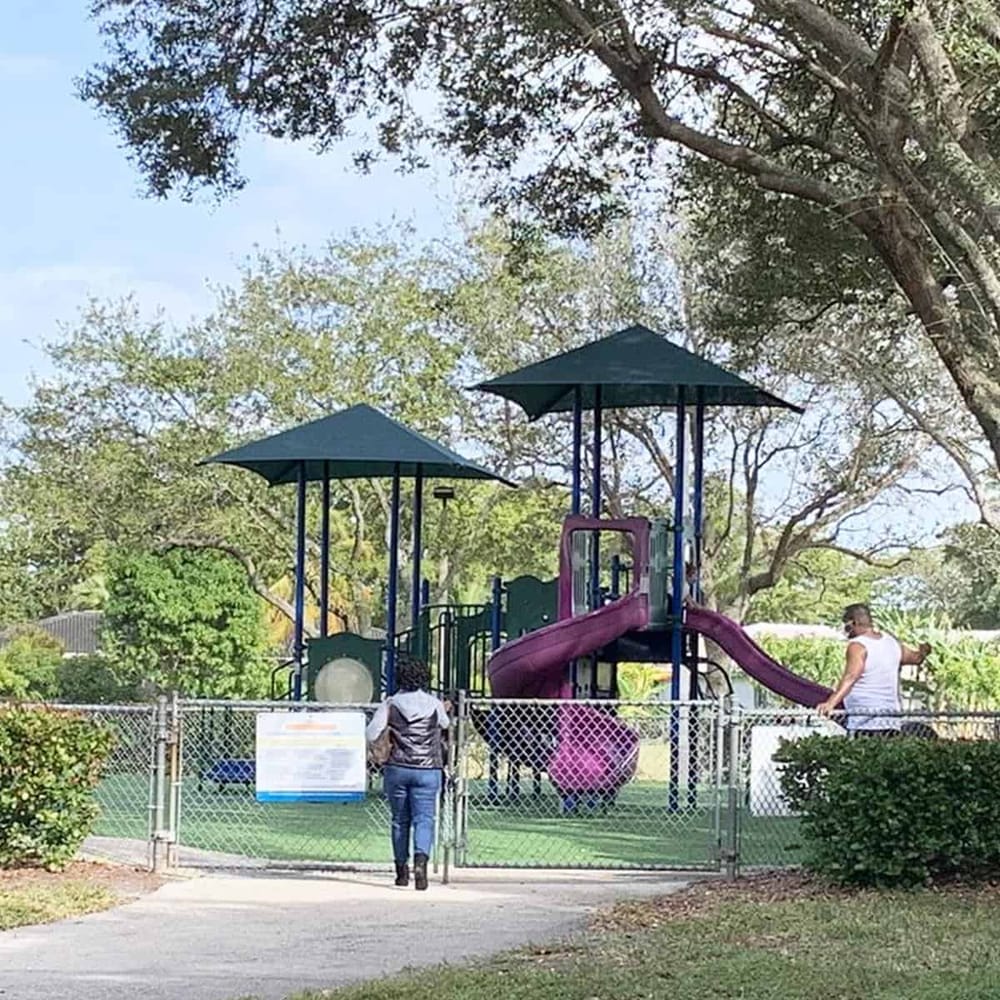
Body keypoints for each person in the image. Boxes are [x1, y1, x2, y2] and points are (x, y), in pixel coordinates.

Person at [366, 653, 449, 890]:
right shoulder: (434, 703)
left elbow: (371, 733)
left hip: (398, 768)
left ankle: (401, 872)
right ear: (424, 678)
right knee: (424, 818)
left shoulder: (390, 704)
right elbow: (445, 725)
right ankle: (421, 862)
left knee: (399, 820)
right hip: (428, 768)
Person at [816, 603, 931, 736]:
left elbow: (851, 676)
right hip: (890, 720)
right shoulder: (891, 643)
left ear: (854, 623)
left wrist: (830, 703)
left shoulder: (858, 645)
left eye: (846, 625)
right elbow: (916, 658)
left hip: (864, 720)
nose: (846, 630)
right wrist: (924, 651)